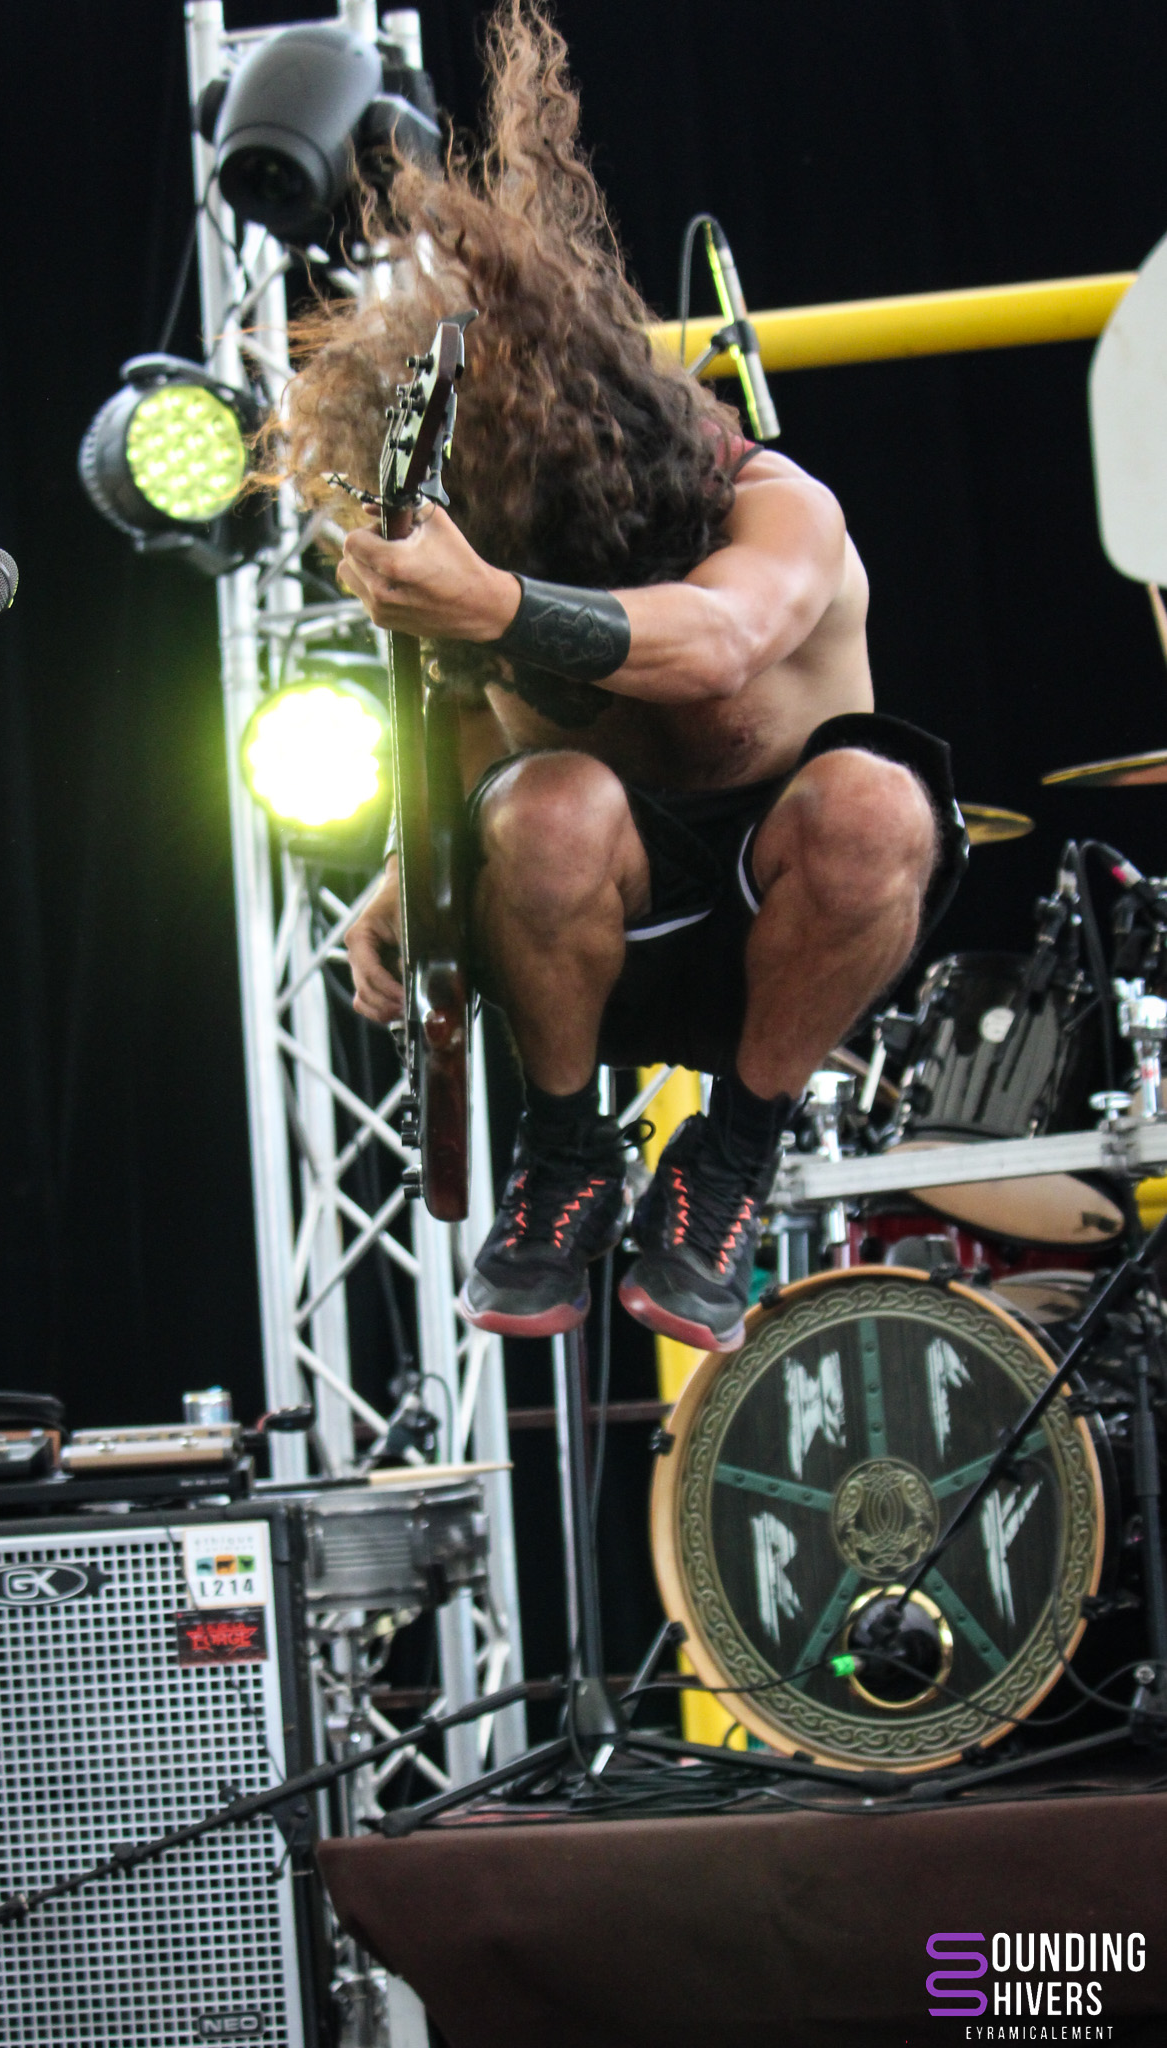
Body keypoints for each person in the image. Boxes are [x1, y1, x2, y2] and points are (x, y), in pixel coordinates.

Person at [260, 1, 966, 1353]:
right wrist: (408, 867)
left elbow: (720, 644)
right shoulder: (491, 549)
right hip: (594, 940)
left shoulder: (779, 509)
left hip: (787, 920)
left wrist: (495, 600)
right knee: (546, 801)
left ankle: (734, 1152)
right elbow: (470, 723)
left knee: (880, 803)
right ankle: (567, 1146)